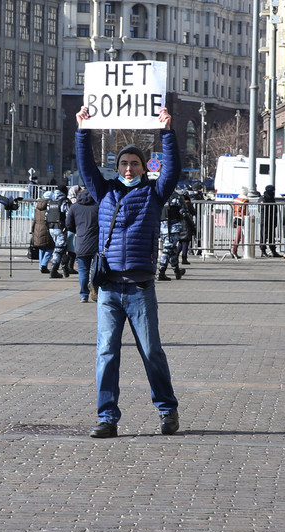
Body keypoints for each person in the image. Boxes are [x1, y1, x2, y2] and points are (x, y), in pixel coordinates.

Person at [75, 105, 181, 439]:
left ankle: (167, 410)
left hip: (139, 287)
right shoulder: (105, 191)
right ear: (117, 166)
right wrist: (83, 130)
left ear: (143, 167)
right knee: (106, 353)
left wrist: (167, 131)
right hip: (108, 288)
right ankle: (107, 418)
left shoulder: (154, 193)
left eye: (135, 163)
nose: (129, 168)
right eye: (124, 163)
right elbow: (85, 167)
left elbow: (172, 170)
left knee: (151, 351)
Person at [65, 186, 99, 303]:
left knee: (83, 270)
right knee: (96, 269)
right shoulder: (98, 206)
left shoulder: (74, 207)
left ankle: (83, 295)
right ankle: (95, 288)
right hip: (97, 242)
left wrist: (76, 231)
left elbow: (68, 224)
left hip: (81, 242)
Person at [157, 189, 186, 281]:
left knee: (172, 249)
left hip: (162, 226)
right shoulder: (177, 197)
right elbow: (184, 211)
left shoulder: (160, 195)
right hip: (173, 226)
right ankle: (161, 272)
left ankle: (177, 271)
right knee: (168, 248)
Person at [45, 187, 71, 278]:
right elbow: (69, 215)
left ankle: (65, 268)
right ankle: (54, 270)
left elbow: (46, 215)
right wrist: (69, 226)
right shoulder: (64, 201)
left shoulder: (50, 201)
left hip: (51, 227)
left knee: (61, 247)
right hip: (61, 227)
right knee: (60, 248)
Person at [31, 193, 55, 273]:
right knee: (50, 247)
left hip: (37, 228)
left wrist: (32, 230)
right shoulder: (50, 206)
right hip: (47, 228)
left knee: (41, 248)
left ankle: (41, 266)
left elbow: (34, 220)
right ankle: (44, 264)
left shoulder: (37, 207)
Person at [259, 184, 281, 257]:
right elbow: (261, 208)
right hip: (265, 220)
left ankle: (273, 250)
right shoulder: (263, 198)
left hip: (272, 220)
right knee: (264, 235)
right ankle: (263, 250)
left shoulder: (272, 198)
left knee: (272, 236)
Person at [232, 186, 249, 259]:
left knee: (240, 235)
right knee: (242, 235)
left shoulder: (236, 199)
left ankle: (235, 250)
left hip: (236, 217)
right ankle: (239, 251)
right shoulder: (245, 200)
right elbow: (246, 210)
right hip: (243, 218)